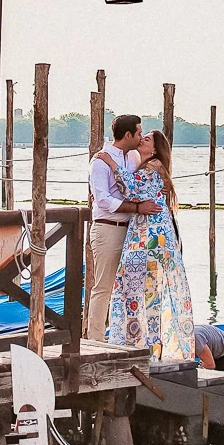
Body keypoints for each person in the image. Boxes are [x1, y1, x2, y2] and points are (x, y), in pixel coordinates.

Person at [101, 130, 195, 361]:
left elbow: (131, 189)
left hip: (150, 237)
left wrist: (110, 162)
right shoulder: (151, 166)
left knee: (136, 288)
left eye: (147, 138)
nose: (142, 139)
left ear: (154, 149)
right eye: (142, 135)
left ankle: (138, 345)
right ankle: (148, 344)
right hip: (154, 235)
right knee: (148, 291)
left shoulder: (152, 167)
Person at [86, 114, 162, 341]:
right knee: (104, 287)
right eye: (139, 132)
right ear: (128, 135)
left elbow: (141, 183)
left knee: (130, 288)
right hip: (108, 228)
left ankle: (126, 338)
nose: (141, 136)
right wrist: (136, 208)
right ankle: (96, 341)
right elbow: (102, 200)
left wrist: (161, 188)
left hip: (132, 232)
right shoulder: (100, 161)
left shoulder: (133, 158)